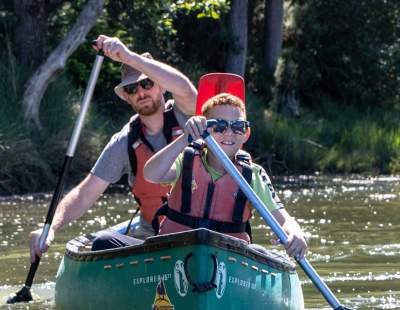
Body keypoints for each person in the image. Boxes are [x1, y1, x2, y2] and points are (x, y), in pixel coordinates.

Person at [29, 34, 197, 260]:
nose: (141, 92)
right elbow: (84, 193)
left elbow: (186, 89)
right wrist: (50, 227)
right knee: (102, 243)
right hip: (153, 234)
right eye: (131, 89)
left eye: (147, 83)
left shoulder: (186, 114)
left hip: (199, 227)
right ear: (126, 98)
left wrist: (128, 56)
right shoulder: (124, 142)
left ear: (161, 87)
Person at [144, 93, 307, 259]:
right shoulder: (186, 160)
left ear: (246, 133)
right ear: (204, 130)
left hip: (228, 258)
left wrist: (296, 233)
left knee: (263, 253)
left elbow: (282, 219)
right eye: (220, 126)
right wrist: (185, 138)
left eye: (237, 126)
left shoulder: (253, 174)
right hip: (174, 251)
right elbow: (151, 175)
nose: (229, 132)